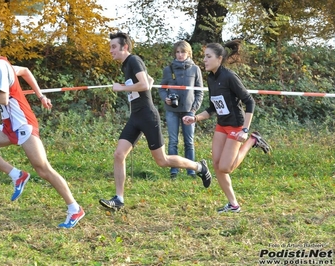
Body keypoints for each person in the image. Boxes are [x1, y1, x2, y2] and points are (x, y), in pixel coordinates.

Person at [0, 26, 84, 228]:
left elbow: (3, 99)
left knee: (44, 169)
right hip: (9, 125)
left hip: (23, 124)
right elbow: (26, 71)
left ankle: (75, 209)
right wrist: (40, 96)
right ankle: (17, 175)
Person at [99, 31, 212, 211]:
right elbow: (149, 80)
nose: (111, 50)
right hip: (135, 116)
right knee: (119, 154)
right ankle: (119, 199)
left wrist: (122, 88)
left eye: (114, 47)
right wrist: (134, 86)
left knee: (162, 160)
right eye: (110, 47)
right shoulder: (126, 65)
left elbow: (143, 85)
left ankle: (199, 167)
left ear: (125, 47)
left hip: (147, 116)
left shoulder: (134, 60)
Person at [183, 40, 272, 213]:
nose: (205, 60)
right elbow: (212, 108)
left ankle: (253, 140)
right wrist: (195, 118)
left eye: (208, 57)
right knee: (217, 166)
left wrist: (245, 130)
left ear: (219, 58)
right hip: (221, 126)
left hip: (236, 125)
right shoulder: (211, 78)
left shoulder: (229, 77)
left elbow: (249, 101)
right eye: (204, 56)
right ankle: (233, 204)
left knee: (226, 167)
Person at [159, 40, 203, 179]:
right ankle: (174, 171)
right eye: (177, 52)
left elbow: (200, 91)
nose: (179, 55)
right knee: (173, 141)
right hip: (172, 110)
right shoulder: (168, 69)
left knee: (189, 141)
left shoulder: (195, 69)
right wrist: (165, 97)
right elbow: (161, 88)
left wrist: (194, 108)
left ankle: (191, 171)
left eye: (182, 52)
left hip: (189, 110)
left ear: (188, 53)